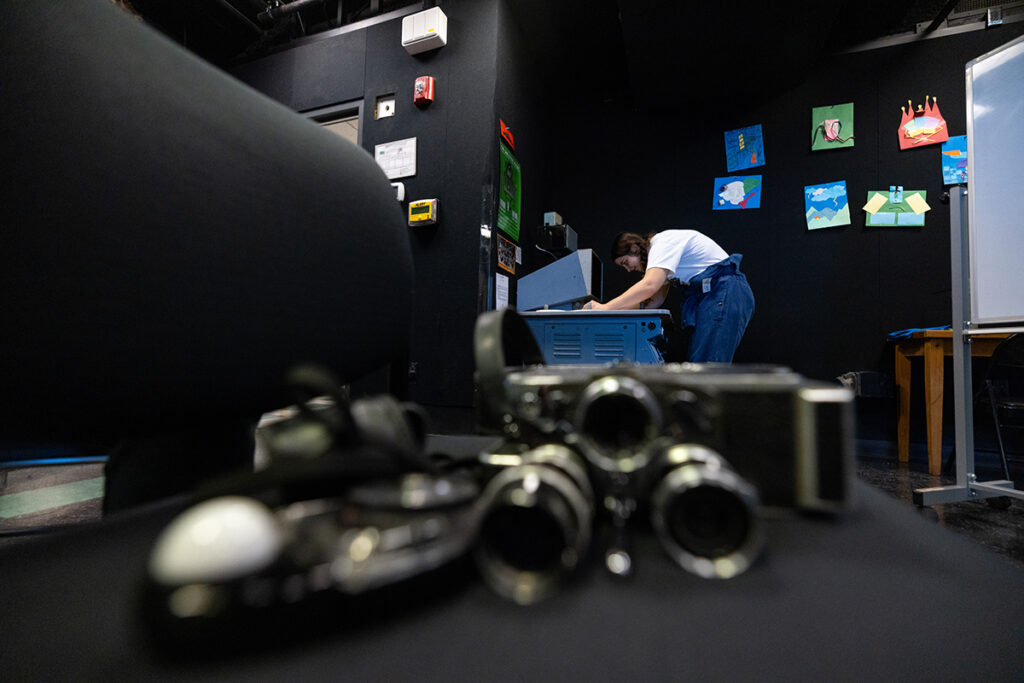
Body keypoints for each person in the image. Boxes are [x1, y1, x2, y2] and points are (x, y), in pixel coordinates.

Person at [584, 230, 754, 362]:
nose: (628, 269)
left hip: (724, 291)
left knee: (708, 366)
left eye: (625, 262)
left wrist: (605, 307)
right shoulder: (664, 263)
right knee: (701, 362)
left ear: (634, 248)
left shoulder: (662, 243)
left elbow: (650, 285)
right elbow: (653, 301)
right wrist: (609, 314)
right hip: (717, 294)